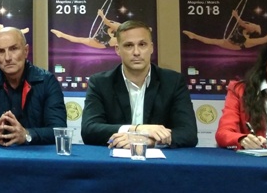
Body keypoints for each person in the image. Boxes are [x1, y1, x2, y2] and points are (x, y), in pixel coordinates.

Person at [82, 20, 198, 148]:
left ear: (151, 48)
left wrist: (149, 140)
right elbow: (89, 130)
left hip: (160, 159)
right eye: (129, 45)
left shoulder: (173, 81)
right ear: (118, 49)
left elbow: (189, 133)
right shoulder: (100, 83)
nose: (136, 52)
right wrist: (137, 129)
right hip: (112, 157)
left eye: (142, 44)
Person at [0, 27, 66, 146]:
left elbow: (59, 129)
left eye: (13, 49)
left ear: (26, 51)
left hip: (35, 154)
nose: (7, 57)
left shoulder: (47, 81)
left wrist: (27, 135)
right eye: (1, 51)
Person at [182, 9, 267, 50]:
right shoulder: (248, 25)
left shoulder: (252, 29)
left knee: (266, 39)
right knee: (213, 41)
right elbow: (242, 24)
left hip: (240, 44)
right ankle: (193, 35)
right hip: (233, 40)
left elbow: (242, 23)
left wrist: (236, 16)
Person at [50, 7, 120, 49]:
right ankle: (61, 34)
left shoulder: (118, 30)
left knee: (80, 40)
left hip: (102, 43)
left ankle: (61, 35)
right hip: (101, 37)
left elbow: (107, 23)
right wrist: (101, 15)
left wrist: (101, 14)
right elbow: (107, 22)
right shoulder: (117, 25)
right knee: (80, 39)